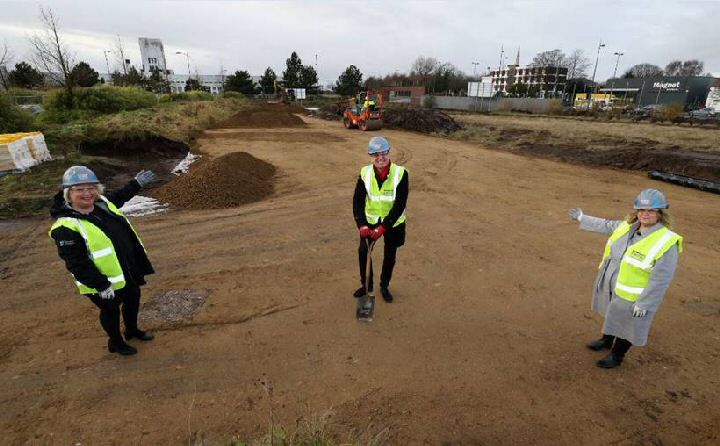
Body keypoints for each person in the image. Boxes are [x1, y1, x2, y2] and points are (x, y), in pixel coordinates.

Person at [568, 188, 682, 368]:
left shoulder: (666, 242)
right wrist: (583, 217)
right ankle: (606, 341)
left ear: (660, 214)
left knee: (627, 325)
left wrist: (645, 304)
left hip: (635, 295)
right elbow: (606, 225)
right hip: (613, 283)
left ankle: (616, 356)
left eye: (651, 210)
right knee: (612, 314)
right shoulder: (627, 226)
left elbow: (661, 279)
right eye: (642, 210)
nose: (645, 214)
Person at [49, 166, 157, 356]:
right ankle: (116, 342)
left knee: (133, 298)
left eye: (91, 187)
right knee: (111, 310)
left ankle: (131, 330)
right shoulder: (66, 227)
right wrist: (101, 285)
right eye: (79, 189)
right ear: (68, 193)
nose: (87, 193)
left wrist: (136, 184)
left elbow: (119, 197)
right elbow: (76, 263)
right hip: (102, 281)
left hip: (125, 270)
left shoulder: (102, 204)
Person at [352, 136, 409, 303]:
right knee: (363, 251)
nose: (380, 157)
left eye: (383, 152)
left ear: (388, 152)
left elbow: (400, 205)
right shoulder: (365, 173)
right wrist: (362, 224)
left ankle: (384, 286)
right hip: (370, 221)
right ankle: (366, 285)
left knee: (390, 254)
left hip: (393, 222)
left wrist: (383, 227)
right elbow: (357, 201)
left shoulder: (401, 174)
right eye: (375, 154)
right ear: (371, 156)